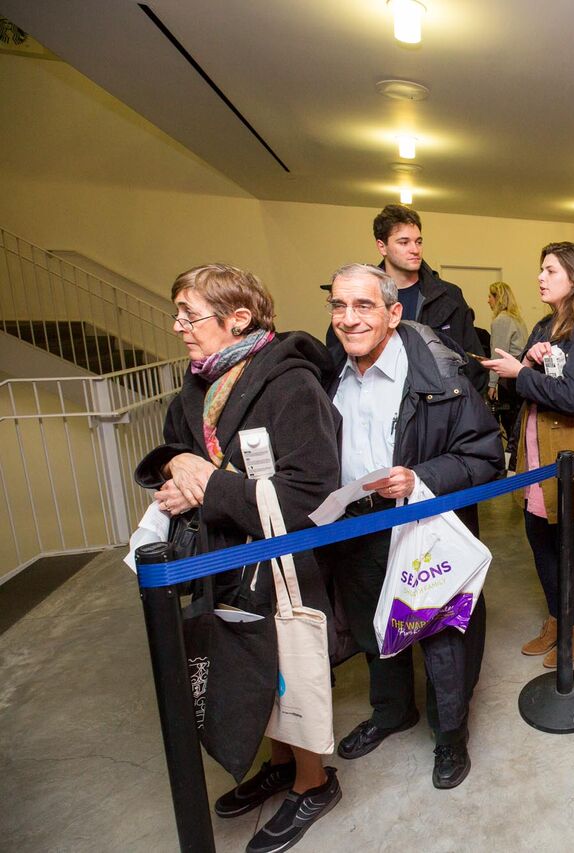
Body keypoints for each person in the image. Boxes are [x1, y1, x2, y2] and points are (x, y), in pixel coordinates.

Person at [135, 264, 343, 853]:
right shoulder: (198, 382)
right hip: (224, 555)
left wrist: (207, 486)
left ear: (239, 319)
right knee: (250, 667)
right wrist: (176, 467)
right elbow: (180, 449)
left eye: (190, 315)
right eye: (177, 314)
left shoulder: (291, 383)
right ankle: (280, 765)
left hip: (280, 560)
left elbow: (311, 494)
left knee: (288, 669)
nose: (178, 326)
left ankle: (313, 782)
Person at [321, 264, 503, 789]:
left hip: (421, 527)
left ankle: (450, 736)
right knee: (373, 626)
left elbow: (485, 457)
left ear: (394, 312)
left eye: (364, 306)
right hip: (354, 528)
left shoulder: (440, 377)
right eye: (339, 306)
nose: (348, 319)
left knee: (442, 640)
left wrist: (418, 478)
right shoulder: (327, 373)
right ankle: (392, 711)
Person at [483, 242, 574, 667]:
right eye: (541, 269)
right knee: (538, 534)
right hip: (536, 444)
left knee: (568, 539)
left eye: (550, 271)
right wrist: (525, 365)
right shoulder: (546, 325)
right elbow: (520, 387)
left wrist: (522, 372)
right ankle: (556, 619)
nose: (540, 278)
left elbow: (573, 396)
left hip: (568, 447)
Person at [346, 204, 487, 392]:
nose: (415, 249)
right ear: (382, 246)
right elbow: (341, 361)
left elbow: (472, 361)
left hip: (438, 401)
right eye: (404, 242)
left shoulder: (449, 296)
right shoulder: (360, 296)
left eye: (418, 242)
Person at [485, 281, 530, 462]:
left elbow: (498, 354)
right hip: (519, 377)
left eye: (490, 296)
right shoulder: (517, 319)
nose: (488, 300)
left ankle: (512, 465)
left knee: (510, 426)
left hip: (508, 380)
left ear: (498, 298)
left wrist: (492, 384)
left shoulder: (501, 320)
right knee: (517, 426)